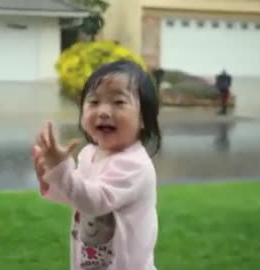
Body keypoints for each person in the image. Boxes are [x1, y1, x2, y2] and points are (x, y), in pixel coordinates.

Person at [31, 60, 162, 270]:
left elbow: (95, 201)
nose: (103, 111)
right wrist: (49, 179)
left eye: (118, 102)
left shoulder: (134, 165)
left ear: (143, 118)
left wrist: (61, 170)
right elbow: (77, 195)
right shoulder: (88, 154)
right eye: (94, 102)